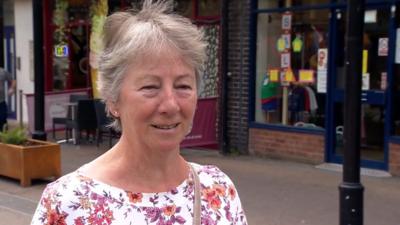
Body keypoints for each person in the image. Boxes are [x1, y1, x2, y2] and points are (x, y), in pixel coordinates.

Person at [31, 1, 248, 224]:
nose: (170, 105)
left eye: (183, 86)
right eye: (150, 87)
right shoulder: (67, 204)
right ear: (113, 99)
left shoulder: (218, 191)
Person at [0, 67, 16, 131]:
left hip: (1, 102)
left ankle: (4, 138)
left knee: (3, 121)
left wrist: (12, 88)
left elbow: (13, 80)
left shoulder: (2, 71)